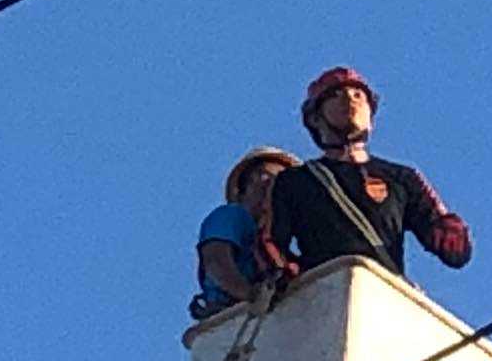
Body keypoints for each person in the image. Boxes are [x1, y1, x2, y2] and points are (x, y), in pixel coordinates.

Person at [264, 67, 471, 281]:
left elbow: (455, 251)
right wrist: (289, 276)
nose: (349, 100)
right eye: (335, 95)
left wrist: (449, 232)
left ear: (371, 118)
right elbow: (269, 243)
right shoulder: (295, 182)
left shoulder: (402, 177)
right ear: (315, 119)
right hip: (324, 294)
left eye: (358, 95)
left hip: (383, 295)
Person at [190, 145, 300, 320]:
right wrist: (250, 295)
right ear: (243, 190)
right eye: (264, 177)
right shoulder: (234, 216)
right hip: (231, 316)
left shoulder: (281, 240)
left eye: (280, 181)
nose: (270, 186)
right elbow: (216, 260)